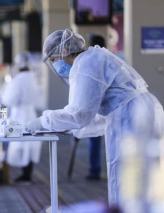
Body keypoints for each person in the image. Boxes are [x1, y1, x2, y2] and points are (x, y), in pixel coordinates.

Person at [25, 28, 164, 205]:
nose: (55, 65)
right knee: (144, 175)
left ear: (65, 51)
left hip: (130, 116)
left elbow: (80, 114)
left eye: (53, 59)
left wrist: (44, 121)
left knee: (127, 174)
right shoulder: (93, 57)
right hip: (139, 111)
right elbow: (96, 113)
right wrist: (70, 128)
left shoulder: (85, 65)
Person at [1, 52, 45, 183]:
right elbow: (39, 99)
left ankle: (24, 174)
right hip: (31, 114)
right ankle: (27, 173)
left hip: (19, 115)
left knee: (20, 144)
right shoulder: (33, 78)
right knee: (30, 145)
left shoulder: (18, 79)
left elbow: (9, 100)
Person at [85, 34, 106, 181]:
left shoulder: (93, 62)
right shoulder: (109, 59)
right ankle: (95, 170)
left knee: (94, 140)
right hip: (104, 107)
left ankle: (95, 170)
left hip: (98, 107)